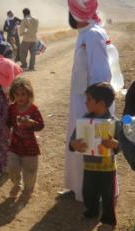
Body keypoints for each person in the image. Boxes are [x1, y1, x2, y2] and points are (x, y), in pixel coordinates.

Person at [64, 0, 112, 202]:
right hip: (81, 101)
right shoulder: (85, 34)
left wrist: (95, 108)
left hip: (92, 104)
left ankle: (94, 196)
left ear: (75, 13)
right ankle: (77, 189)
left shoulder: (93, 35)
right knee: (79, 143)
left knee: (93, 147)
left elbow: (102, 75)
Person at [69, 83, 120, 226]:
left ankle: (109, 217)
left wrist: (114, 144)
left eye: (89, 99)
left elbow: (120, 145)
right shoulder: (84, 120)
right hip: (90, 167)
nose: (86, 102)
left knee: (108, 195)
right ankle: (92, 211)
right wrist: (74, 144)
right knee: (88, 192)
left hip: (107, 169)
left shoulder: (114, 123)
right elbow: (73, 140)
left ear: (101, 103)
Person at [7, 77, 44, 198]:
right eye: (17, 94)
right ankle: (17, 184)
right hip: (14, 145)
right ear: (13, 95)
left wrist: (32, 123)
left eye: (23, 94)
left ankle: (28, 189)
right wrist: (5, 134)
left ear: (29, 94)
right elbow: (7, 123)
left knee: (30, 171)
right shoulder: (11, 109)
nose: (20, 97)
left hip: (30, 147)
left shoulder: (34, 109)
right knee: (12, 167)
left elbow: (41, 125)